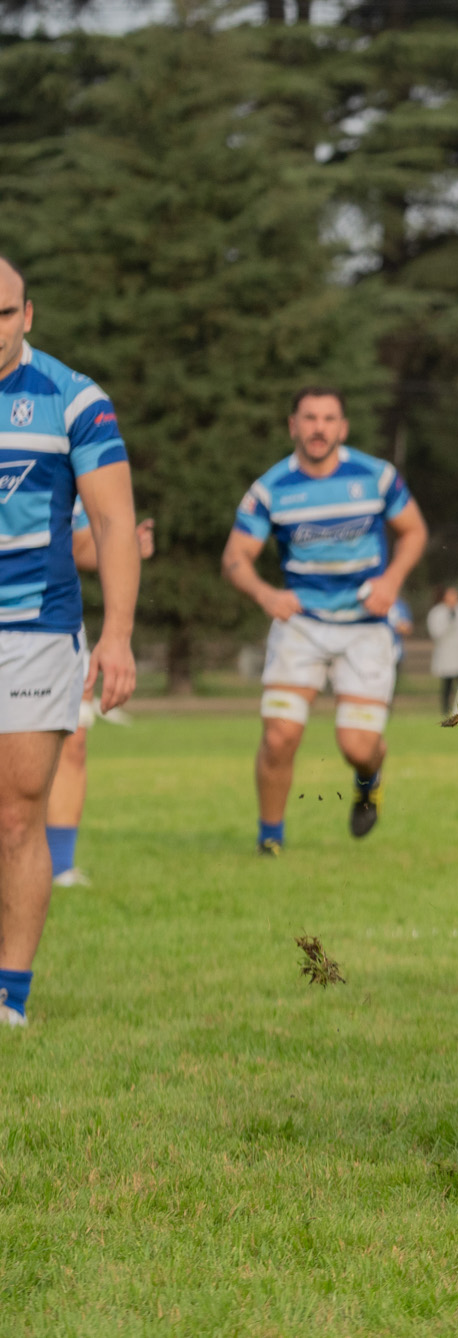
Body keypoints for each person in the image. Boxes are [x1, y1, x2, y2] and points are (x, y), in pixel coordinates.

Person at [0, 254, 140, 1027]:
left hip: (35, 630)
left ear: (28, 315)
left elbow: (115, 523)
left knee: (17, 818)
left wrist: (116, 637)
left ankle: (8, 998)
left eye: (4, 313)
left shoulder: (74, 399)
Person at [222, 388, 428, 853]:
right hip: (302, 624)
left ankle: (368, 777)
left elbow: (414, 531)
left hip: (365, 626)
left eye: (329, 418)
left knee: (356, 745)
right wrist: (264, 592)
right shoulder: (271, 488)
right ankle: (270, 840)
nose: (319, 428)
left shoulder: (376, 476)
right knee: (279, 737)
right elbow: (235, 557)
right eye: (309, 418)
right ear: (292, 425)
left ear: (343, 427)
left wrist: (392, 582)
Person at [47, 502, 155, 888]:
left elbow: (75, 547)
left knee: (73, 740)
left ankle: (60, 868)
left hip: (52, 622)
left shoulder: (60, 454)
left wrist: (121, 548)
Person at [426, 586, 458, 715]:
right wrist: (449, 621)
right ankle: (445, 710)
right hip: (446, 654)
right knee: (447, 685)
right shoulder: (437, 612)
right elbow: (436, 632)